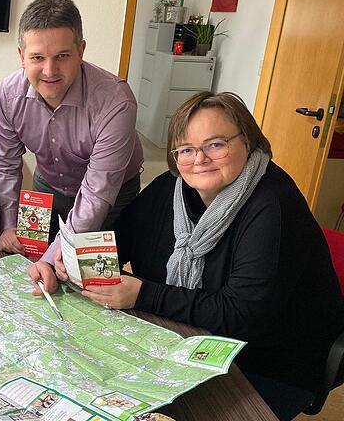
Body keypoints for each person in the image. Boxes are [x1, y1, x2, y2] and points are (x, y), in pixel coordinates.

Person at [57, 91, 344, 419]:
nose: (200, 159)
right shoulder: (171, 187)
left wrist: (144, 294)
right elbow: (120, 239)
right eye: (187, 149)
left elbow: (242, 315)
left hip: (268, 363)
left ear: (247, 141)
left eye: (216, 144)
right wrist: (76, 261)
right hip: (189, 336)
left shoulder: (272, 205)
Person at [0, 0, 143, 291]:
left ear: (81, 50)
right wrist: (8, 225)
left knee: (87, 283)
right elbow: (6, 165)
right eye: (37, 58)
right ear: (21, 56)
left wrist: (51, 257)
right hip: (49, 186)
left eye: (62, 56)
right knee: (37, 273)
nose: (49, 71)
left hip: (112, 195)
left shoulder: (116, 100)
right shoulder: (9, 94)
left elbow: (98, 193)